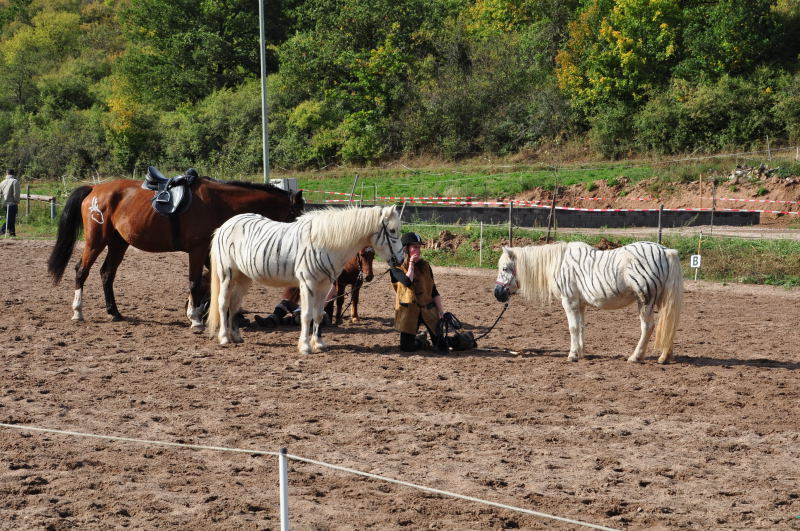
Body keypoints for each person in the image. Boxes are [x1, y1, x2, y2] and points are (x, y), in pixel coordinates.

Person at [389, 232, 448, 352]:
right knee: (407, 348)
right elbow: (407, 281)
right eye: (415, 247)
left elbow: (434, 290)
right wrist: (411, 263)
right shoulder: (395, 268)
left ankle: (462, 339)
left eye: (419, 247)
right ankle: (421, 341)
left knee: (442, 347)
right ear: (405, 249)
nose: (418, 250)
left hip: (428, 310)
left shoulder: (425, 266)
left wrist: (441, 311)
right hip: (409, 313)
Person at [0, 169, 20, 237]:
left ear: (7, 173)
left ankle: (12, 234)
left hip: (4, 203)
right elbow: (16, 193)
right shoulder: (15, 181)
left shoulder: (2, 182)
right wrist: (17, 201)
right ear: (13, 174)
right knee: (10, 220)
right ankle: (1, 230)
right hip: (12, 203)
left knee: (10, 218)